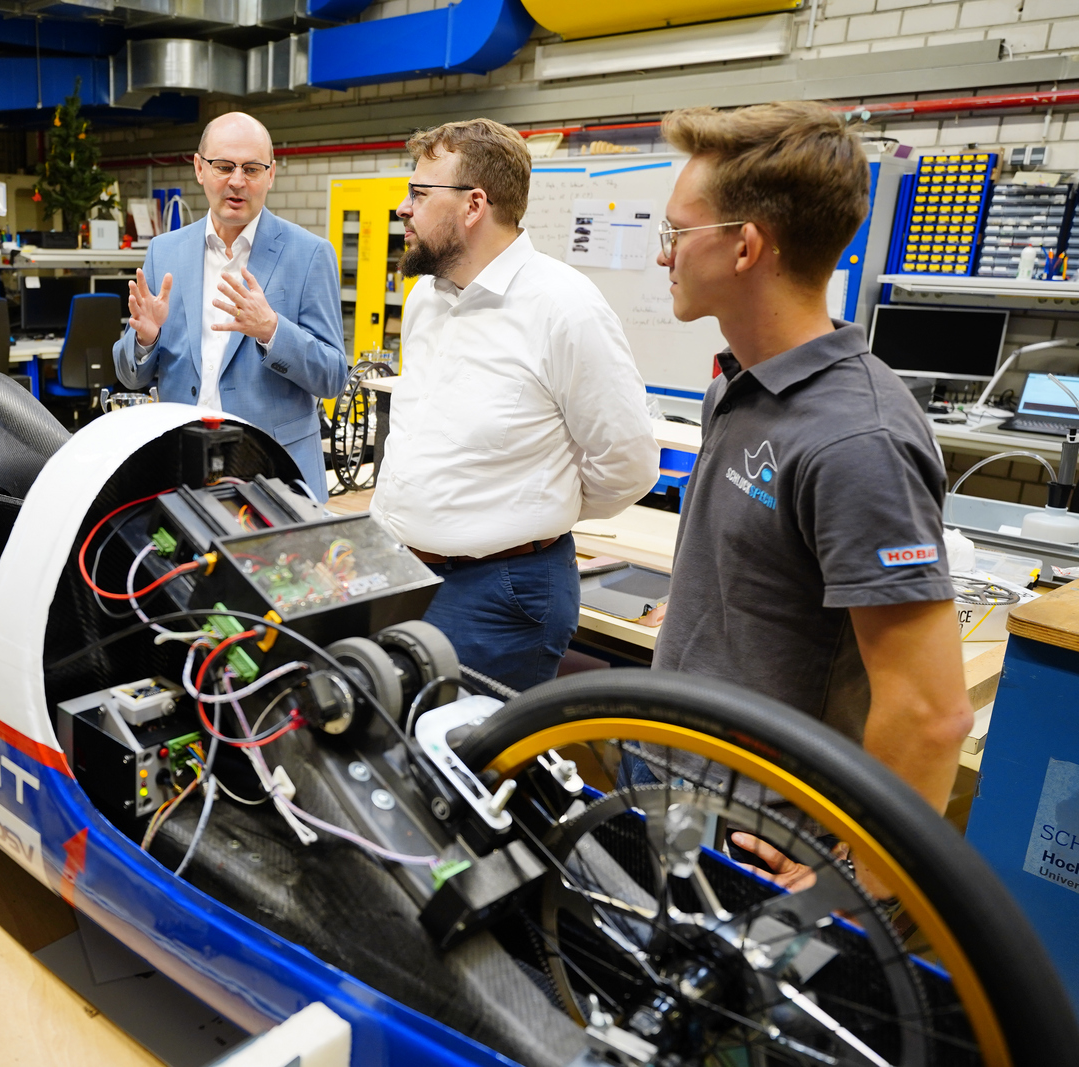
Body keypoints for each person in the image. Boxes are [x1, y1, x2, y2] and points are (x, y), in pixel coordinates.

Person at [651, 102, 973, 879]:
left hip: (761, 828)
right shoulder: (739, 382)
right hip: (678, 771)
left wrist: (855, 877)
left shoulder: (858, 439)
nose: (663, 257)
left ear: (745, 247)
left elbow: (933, 715)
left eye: (676, 234)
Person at [370, 119, 660, 691]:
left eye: (419, 194)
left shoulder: (563, 307)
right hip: (401, 574)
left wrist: (535, 509)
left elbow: (629, 463)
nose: (403, 208)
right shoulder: (427, 296)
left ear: (474, 204)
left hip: (496, 594)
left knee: (466, 767)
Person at [111, 112, 349, 497]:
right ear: (199, 169)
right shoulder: (164, 251)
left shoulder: (309, 254)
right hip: (182, 469)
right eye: (223, 166)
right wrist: (146, 340)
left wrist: (273, 330)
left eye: (252, 168)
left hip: (274, 476)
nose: (237, 181)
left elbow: (334, 376)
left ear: (271, 175)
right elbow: (130, 376)